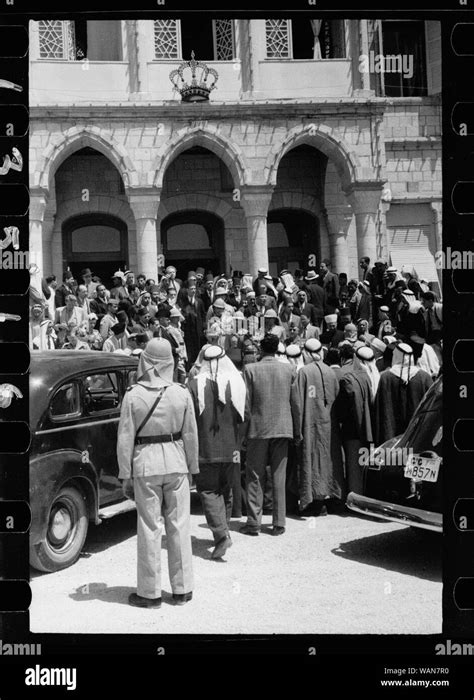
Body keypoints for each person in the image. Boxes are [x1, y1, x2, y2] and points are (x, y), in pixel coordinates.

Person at [117, 338, 199, 608]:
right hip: (176, 464)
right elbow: (190, 435)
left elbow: (125, 439)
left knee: (150, 528)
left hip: (146, 466)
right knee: (179, 526)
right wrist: (193, 467)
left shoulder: (133, 395)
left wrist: (125, 473)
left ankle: (149, 593)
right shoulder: (181, 392)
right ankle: (182, 590)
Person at [188, 345, 246, 560]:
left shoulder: (193, 385)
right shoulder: (237, 383)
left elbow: (189, 420)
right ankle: (224, 531)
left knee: (209, 491)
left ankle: (221, 535)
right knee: (225, 490)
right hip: (232, 449)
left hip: (206, 449)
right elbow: (245, 415)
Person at [241, 333, 295, 536]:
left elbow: (246, 405)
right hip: (282, 428)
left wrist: (243, 433)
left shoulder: (250, 369)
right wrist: (295, 431)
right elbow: (295, 403)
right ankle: (279, 523)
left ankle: (254, 522)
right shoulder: (289, 369)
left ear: (261, 350)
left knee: (255, 476)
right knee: (278, 476)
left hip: (258, 429)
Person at [291, 338, 344, 515]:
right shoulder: (330, 372)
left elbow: (297, 404)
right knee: (329, 460)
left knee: (311, 460)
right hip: (329, 425)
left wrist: (297, 430)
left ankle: (314, 503)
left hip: (310, 424)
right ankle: (331, 499)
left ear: (305, 353)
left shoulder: (304, 372)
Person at [337, 346, 379, 495]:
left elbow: (346, 407)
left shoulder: (350, 378)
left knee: (354, 466)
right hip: (373, 430)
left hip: (354, 429)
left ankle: (356, 497)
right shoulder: (375, 376)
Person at [374, 342, 433, 445]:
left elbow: (380, 410)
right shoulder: (424, 377)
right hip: (417, 435)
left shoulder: (386, 377)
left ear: (396, 356)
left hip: (391, 435)